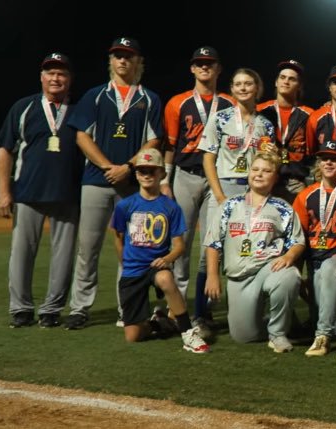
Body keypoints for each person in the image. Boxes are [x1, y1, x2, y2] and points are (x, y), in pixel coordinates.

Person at [66, 37, 165, 330]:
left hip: (132, 186)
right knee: (88, 247)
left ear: (137, 62)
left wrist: (128, 167)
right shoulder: (95, 95)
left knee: (133, 249)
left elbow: (153, 140)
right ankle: (80, 308)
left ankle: (129, 309)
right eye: (117, 56)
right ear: (110, 61)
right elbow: (81, 136)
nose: (123, 61)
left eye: (128, 56)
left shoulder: (149, 99)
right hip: (96, 182)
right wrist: (108, 166)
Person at [0, 53, 84, 328]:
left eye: (61, 74)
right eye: (50, 73)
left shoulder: (80, 109)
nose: (56, 78)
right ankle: (21, 308)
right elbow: (5, 151)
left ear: (70, 79)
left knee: (63, 256)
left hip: (68, 194)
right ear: (41, 77)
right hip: (27, 193)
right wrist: (4, 191)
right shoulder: (23, 107)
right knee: (21, 253)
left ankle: (51, 310)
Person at [198, 68, 277, 328]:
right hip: (225, 185)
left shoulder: (265, 124)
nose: (243, 88)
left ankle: (249, 308)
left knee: (249, 248)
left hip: (253, 190)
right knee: (210, 249)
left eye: (248, 84)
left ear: (257, 88)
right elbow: (208, 157)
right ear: (231, 89)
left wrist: (271, 153)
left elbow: (269, 161)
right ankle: (202, 313)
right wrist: (219, 194)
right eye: (238, 84)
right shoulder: (219, 118)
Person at [203, 152, 305, 351]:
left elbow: (297, 241)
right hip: (239, 277)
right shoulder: (229, 205)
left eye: (266, 171)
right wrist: (212, 275)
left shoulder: (282, 208)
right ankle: (273, 318)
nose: (259, 174)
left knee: (289, 277)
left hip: (267, 267)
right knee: (244, 336)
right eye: (255, 169)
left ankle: (278, 333)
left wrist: (289, 256)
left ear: (275, 177)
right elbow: (213, 243)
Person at [111, 148, 210, 353]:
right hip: (132, 271)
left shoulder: (171, 207)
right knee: (133, 336)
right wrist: (125, 263)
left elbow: (180, 246)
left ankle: (187, 333)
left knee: (165, 278)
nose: (147, 175)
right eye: (142, 170)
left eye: (152, 170)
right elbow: (118, 238)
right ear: (136, 174)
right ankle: (160, 324)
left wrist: (167, 259)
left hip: (157, 265)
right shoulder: (125, 206)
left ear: (162, 174)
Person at [163, 47, 235, 327]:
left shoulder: (229, 103)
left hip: (217, 176)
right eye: (199, 64)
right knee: (180, 241)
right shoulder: (178, 103)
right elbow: (170, 143)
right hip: (185, 174)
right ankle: (177, 307)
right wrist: (165, 181)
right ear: (192, 69)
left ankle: (204, 310)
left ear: (218, 69)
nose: (205, 68)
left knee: (211, 242)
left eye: (210, 64)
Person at [291, 140, 336, 356]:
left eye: (334, 159)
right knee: (321, 316)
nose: (328, 162)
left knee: (330, 268)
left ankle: (323, 337)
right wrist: (296, 274)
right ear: (318, 164)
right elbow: (298, 237)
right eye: (324, 159)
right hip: (314, 261)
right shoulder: (305, 195)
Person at [257, 59, 315, 198]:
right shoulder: (261, 110)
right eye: (282, 77)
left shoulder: (310, 115)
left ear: (299, 85)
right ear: (276, 82)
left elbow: (314, 151)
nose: (286, 81)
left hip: (294, 181)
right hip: (265, 178)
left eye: (292, 79)